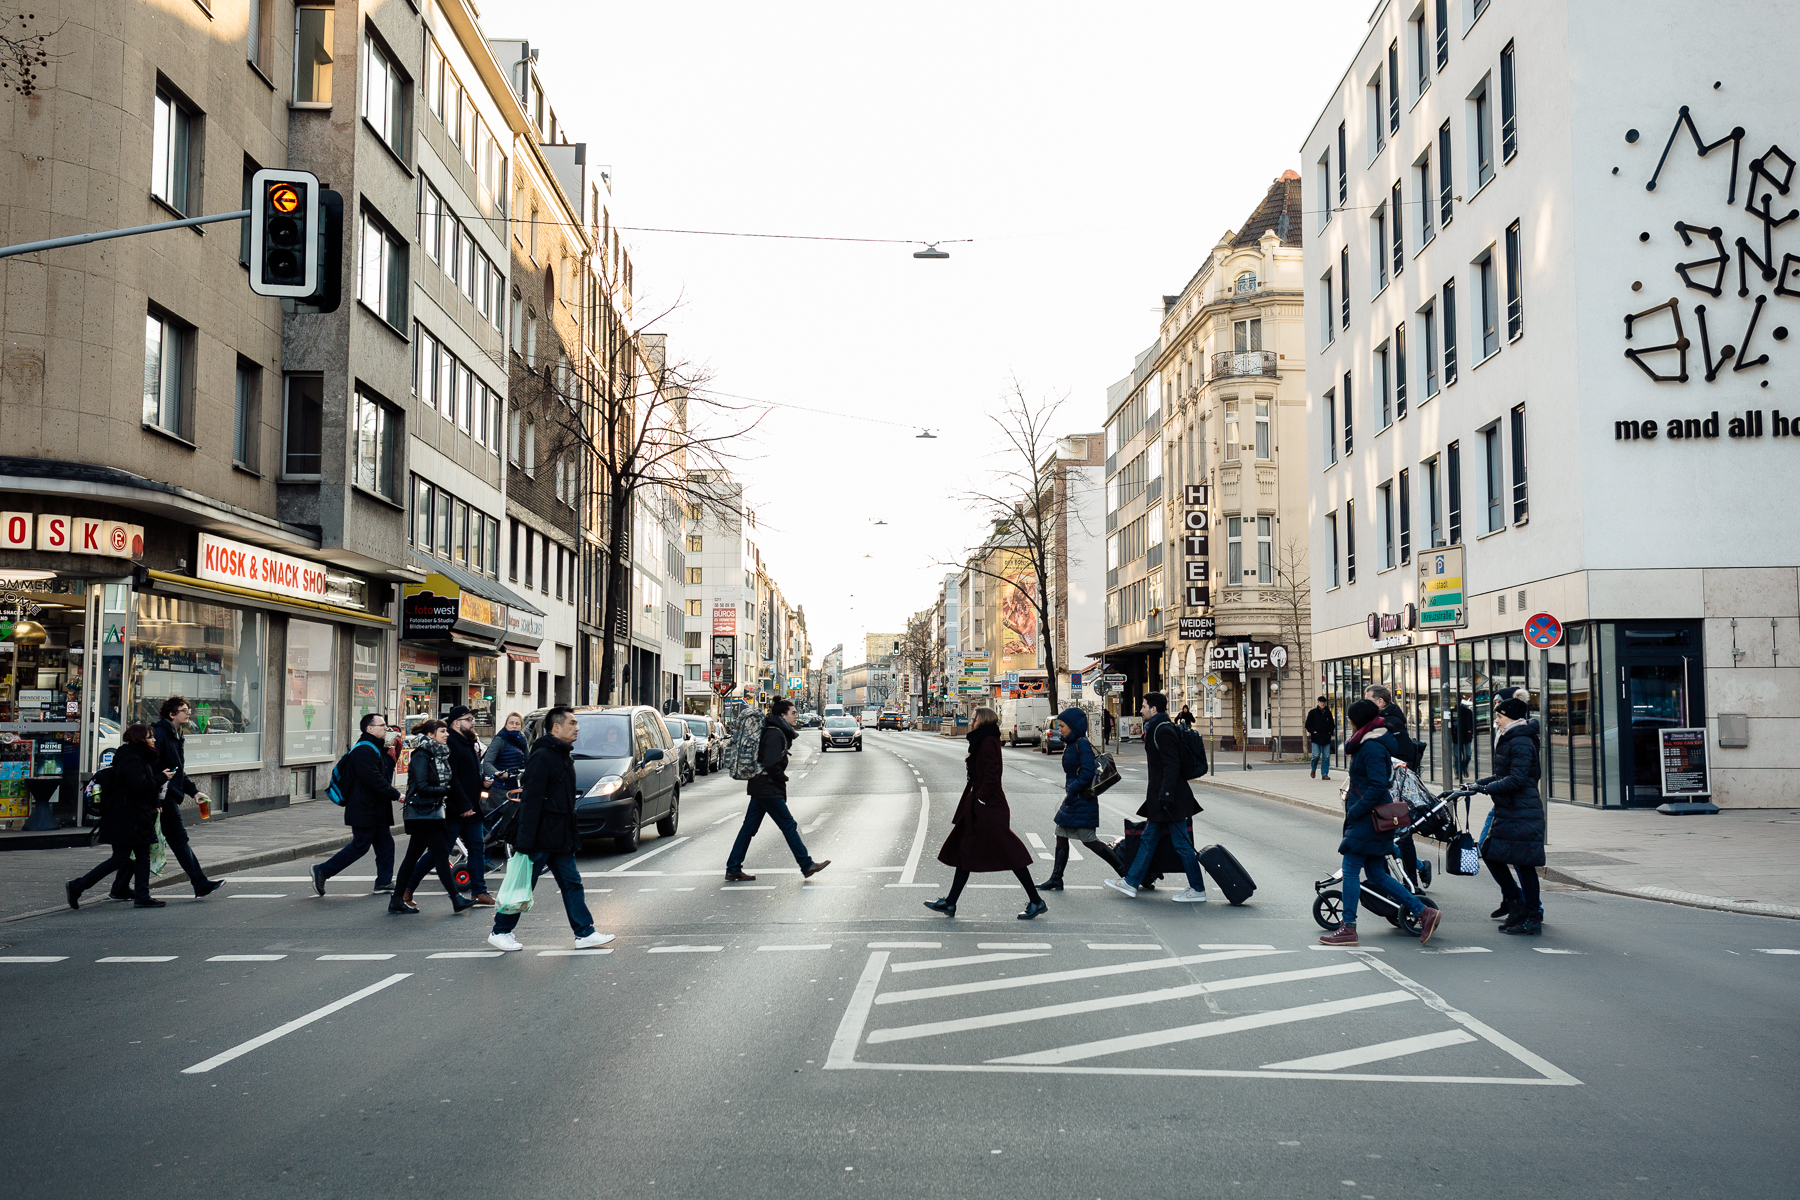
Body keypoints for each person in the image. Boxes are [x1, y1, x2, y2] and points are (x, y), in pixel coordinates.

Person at [487, 706, 613, 951]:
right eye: (572, 723)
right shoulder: (544, 756)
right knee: (525, 884)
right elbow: (532, 798)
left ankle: (584, 933)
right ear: (556, 727)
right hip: (542, 836)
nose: (577, 728)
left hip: (559, 836)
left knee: (572, 883)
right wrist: (525, 839)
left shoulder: (562, 754)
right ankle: (500, 930)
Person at [1319, 699, 1441, 947]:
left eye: (1350, 719)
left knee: (1351, 870)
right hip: (1369, 818)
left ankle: (1348, 928)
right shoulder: (1368, 742)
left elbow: (1378, 785)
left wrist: (1355, 812)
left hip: (1367, 819)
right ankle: (1423, 912)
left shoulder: (1372, 746)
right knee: (1375, 874)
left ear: (1358, 721)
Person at [924, 707, 1045, 919]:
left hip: (989, 807)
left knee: (1009, 851)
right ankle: (950, 903)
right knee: (966, 850)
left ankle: (1036, 901)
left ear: (983, 721)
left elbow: (992, 774)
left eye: (973, 719)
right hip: (981, 805)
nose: (970, 722)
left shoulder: (988, 740)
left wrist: (980, 798)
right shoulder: (983, 739)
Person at [1104, 692, 1210, 904]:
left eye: (1143, 706)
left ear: (1154, 710)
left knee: (1181, 844)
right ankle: (1131, 882)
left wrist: (1166, 796)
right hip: (1163, 797)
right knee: (1148, 840)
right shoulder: (1156, 728)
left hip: (1170, 799)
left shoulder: (1162, 731)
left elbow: (1172, 766)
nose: (1141, 710)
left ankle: (1197, 888)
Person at [115, 696, 220, 899]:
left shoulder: (175, 734)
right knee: (178, 841)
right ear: (172, 714)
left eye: (188, 709)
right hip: (162, 799)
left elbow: (177, 770)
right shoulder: (161, 735)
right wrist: (155, 800)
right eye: (184, 710)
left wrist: (194, 792)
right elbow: (151, 769)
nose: (189, 712)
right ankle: (200, 883)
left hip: (165, 797)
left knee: (143, 843)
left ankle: (119, 887)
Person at [724, 699, 830, 882]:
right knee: (788, 825)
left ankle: (733, 867)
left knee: (748, 828)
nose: (796, 716)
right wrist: (782, 777)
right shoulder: (775, 734)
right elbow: (771, 763)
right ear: (783, 715)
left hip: (762, 785)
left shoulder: (776, 731)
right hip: (768, 786)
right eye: (793, 713)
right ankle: (806, 864)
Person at [67, 724, 167, 909]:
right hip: (129, 817)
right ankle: (79, 885)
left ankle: (140, 895)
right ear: (140, 740)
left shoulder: (134, 757)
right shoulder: (133, 760)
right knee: (124, 858)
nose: (153, 739)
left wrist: (155, 803)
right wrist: (161, 778)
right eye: (149, 737)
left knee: (135, 856)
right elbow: (139, 787)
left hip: (130, 815)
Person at [401, 706, 493, 906]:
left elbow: (469, 773)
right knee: (439, 852)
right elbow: (452, 779)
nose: (473, 722)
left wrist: (482, 781)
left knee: (477, 849)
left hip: (472, 807)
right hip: (455, 809)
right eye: (468, 719)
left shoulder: (468, 742)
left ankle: (479, 891)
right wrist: (463, 804)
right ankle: (408, 887)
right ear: (456, 723)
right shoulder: (451, 744)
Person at [1477, 696, 1546, 935]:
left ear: (1512, 717)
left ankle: (1532, 915)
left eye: (1499, 716)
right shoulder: (1510, 738)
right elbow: (1503, 774)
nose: (1495, 721)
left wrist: (1488, 788)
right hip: (1510, 808)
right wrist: (1478, 784)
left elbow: (1517, 779)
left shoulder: (1521, 741)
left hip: (1522, 809)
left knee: (1524, 864)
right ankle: (1516, 904)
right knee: (1490, 853)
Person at [312, 713, 402, 896]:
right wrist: (397, 794)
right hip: (364, 808)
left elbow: (383, 773)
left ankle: (384, 882)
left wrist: (389, 749)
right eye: (382, 725)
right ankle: (322, 870)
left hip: (376, 809)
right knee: (360, 845)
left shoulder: (376, 747)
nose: (386, 728)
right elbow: (374, 780)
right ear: (369, 728)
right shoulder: (363, 750)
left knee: (386, 845)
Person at [1037, 707, 1126, 891]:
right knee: (1061, 833)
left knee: (1089, 840)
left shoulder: (1081, 743)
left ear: (1073, 726)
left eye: (1062, 726)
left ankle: (1126, 873)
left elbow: (1087, 772)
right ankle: (1056, 878)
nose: (1059, 729)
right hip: (1075, 798)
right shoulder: (1071, 743)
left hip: (1081, 798)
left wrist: (1072, 790)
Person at [389, 720, 473, 915]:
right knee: (441, 855)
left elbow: (448, 782)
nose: (447, 734)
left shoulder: (440, 755)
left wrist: (461, 801)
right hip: (422, 813)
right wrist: (446, 790)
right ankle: (456, 899)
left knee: (412, 858)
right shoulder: (422, 755)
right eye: (443, 731)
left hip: (431, 813)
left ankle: (396, 900)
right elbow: (422, 787)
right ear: (431, 734)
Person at [1363, 685, 1422, 885]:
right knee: (1389, 833)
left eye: (1368, 700)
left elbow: (1405, 756)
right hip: (1386, 785)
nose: (1365, 704)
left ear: (1380, 702)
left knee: (1402, 834)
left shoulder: (1391, 723)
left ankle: (1410, 880)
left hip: (1394, 787)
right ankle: (1389, 879)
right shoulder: (1381, 721)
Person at [480, 711, 529, 799]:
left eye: (517, 724)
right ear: (506, 725)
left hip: (518, 786)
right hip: (500, 788)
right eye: (511, 723)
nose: (514, 726)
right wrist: (498, 773)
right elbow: (487, 763)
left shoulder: (522, 739)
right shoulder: (500, 740)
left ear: (521, 726)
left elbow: (528, 760)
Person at [1305, 696, 1336, 780]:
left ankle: (1324, 774)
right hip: (1316, 738)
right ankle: (1313, 769)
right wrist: (1313, 731)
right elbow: (1308, 724)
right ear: (1318, 702)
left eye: (1324, 702)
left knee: (1326, 757)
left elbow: (1332, 724)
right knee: (1316, 755)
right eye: (1321, 702)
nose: (1323, 703)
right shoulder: (1313, 712)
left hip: (1326, 738)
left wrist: (1330, 731)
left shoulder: (1328, 712)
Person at [1452, 700, 1475, 783]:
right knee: (1457, 755)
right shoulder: (1453, 711)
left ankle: (1464, 768)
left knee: (1468, 754)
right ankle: (1458, 772)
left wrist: (1470, 732)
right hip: (1457, 737)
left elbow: (1472, 723)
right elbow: (1450, 723)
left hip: (1466, 736)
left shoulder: (1468, 711)